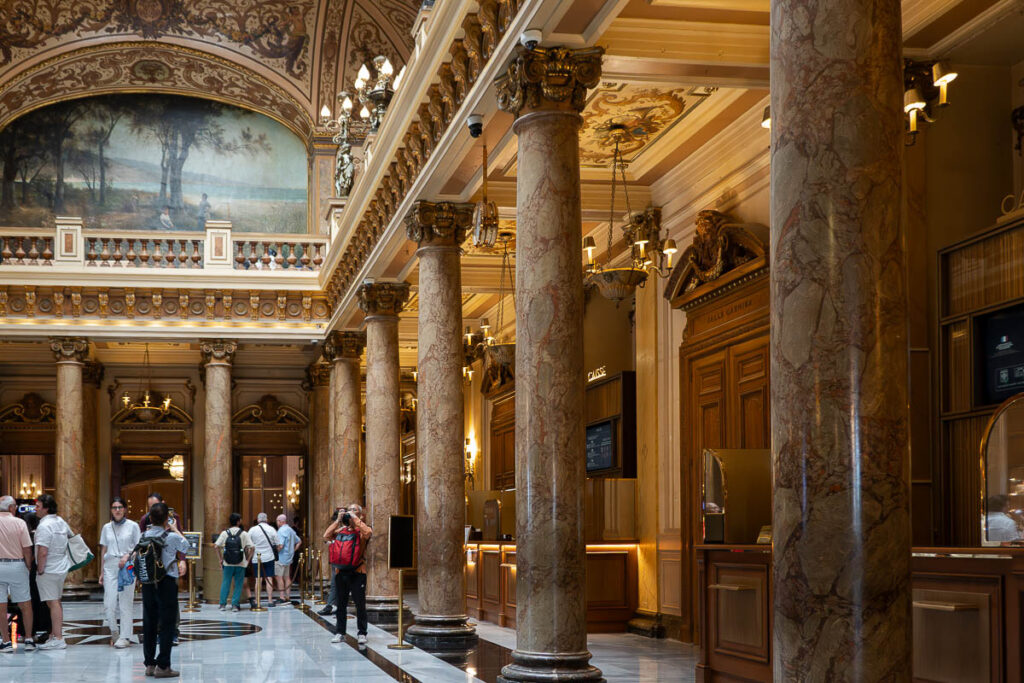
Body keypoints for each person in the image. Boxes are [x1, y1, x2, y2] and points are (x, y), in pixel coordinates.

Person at [139, 502, 189, 678]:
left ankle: (149, 664)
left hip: (147, 582)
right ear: (167, 518)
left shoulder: (143, 536)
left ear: (150, 518)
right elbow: (187, 546)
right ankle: (163, 665)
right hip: (166, 581)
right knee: (167, 623)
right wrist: (174, 528)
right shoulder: (172, 537)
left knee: (149, 621)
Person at [139, 493, 184, 645]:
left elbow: (181, 540)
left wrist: (182, 561)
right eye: (150, 506)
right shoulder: (145, 519)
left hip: (169, 567)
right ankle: (157, 631)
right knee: (152, 603)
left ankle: (173, 631)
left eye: (155, 506)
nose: (152, 510)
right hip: (151, 568)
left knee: (171, 602)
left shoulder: (173, 518)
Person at [323, 503, 371, 645]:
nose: (350, 512)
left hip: (358, 572)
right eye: (349, 510)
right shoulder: (341, 531)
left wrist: (356, 519)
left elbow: (368, 533)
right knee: (341, 604)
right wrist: (338, 520)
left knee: (360, 604)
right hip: (341, 572)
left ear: (360, 515)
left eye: (354, 510)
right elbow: (326, 536)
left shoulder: (361, 531)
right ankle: (340, 632)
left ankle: (362, 633)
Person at [99, 497, 140, 648]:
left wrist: (128, 556)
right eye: (114, 507)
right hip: (110, 565)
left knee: (125, 602)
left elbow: (138, 547)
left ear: (125, 509)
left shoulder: (133, 526)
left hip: (127, 565)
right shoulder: (106, 528)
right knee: (109, 603)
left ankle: (125, 636)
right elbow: (103, 549)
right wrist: (102, 571)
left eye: (120, 507)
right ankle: (114, 631)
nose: (117, 510)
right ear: (111, 510)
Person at [34, 494, 70, 650]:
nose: (35, 509)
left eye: (38, 506)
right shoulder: (61, 521)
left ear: (46, 508)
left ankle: (58, 638)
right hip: (61, 566)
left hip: (49, 568)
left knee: (52, 602)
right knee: (56, 601)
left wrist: (40, 569)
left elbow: (43, 551)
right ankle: (54, 635)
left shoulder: (44, 526)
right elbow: (71, 536)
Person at [0, 495, 36, 653]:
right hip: (17, 565)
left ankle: (6, 642)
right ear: (11, 508)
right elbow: (27, 547)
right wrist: (28, 565)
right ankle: (28, 639)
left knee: (1, 606)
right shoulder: (20, 523)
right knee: (25, 604)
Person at [214, 513, 254, 612]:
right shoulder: (244, 533)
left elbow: (216, 546)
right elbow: (252, 547)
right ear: (238, 521)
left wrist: (220, 559)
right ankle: (235, 605)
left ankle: (222, 604)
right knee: (239, 584)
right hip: (241, 563)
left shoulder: (224, 533)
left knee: (226, 582)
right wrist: (248, 560)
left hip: (227, 563)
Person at [247, 513, 281, 608]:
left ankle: (257, 600)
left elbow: (248, 544)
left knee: (258, 579)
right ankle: (270, 600)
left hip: (256, 558)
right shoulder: (271, 529)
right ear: (267, 520)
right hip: (269, 557)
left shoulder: (252, 530)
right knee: (269, 578)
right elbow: (278, 544)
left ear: (258, 520)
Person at [274, 514, 301, 605]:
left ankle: (282, 597)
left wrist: (273, 552)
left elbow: (280, 546)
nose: (277, 523)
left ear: (281, 521)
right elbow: (299, 541)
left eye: (277, 521)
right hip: (289, 558)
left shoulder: (281, 531)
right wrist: (293, 550)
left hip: (281, 557)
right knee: (287, 577)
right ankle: (288, 596)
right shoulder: (291, 530)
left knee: (279, 577)